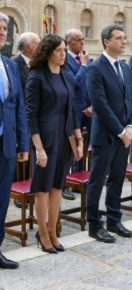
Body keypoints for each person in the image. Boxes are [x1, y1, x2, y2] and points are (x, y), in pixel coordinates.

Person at [26, 34, 83, 253]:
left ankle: (53, 230)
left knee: (57, 186)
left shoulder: (67, 75)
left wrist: (78, 141)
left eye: (64, 50)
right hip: (45, 141)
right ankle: (42, 233)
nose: (63, 54)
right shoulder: (36, 76)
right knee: (42, 188)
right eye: (59, 50)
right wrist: (38, 148)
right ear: (48, 51)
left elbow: (73, 110)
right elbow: (30, 115)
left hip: (64, 139)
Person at [86, 25, 132, 243]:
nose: (124, 41)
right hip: (106, 135)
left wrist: (131, 127)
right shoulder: (96, 68)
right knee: (97, 180)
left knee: (117, 178)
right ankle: (94, 224)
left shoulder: (125, 68)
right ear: (106, 41)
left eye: (124, 38)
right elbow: (100, 104)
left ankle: (114, 220)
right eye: (119, 38)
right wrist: (119, 131)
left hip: (125, 134)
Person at [0, 12, 29, 269]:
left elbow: (18, 106)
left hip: (7, 144)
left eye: (3, 30)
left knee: (1, 199)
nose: (1, 33)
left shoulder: (9, 65)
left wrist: (23, 143)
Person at [62, 28, 92, 200]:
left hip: (88, 110)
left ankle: (79, 180)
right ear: (69, 43)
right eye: (78, 39)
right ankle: (65, 182)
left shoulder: (85, 59)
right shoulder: (64, 61)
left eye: (83, 39)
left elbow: (93, 85)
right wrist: (85, 65)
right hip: (73, 111)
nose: (82, 42)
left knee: (84, 147)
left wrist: (93, 105)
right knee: (70, 148)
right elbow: (74, 85)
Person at [12, 32, 40, 208]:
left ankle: (30, 186)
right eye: (38, 44)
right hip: (19, 119)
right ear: (28, 47)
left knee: (31, 156)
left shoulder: (38, 65)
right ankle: (17, 193)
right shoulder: (14, 64)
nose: (40, 47)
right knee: (21, 157)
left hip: (35, 117)